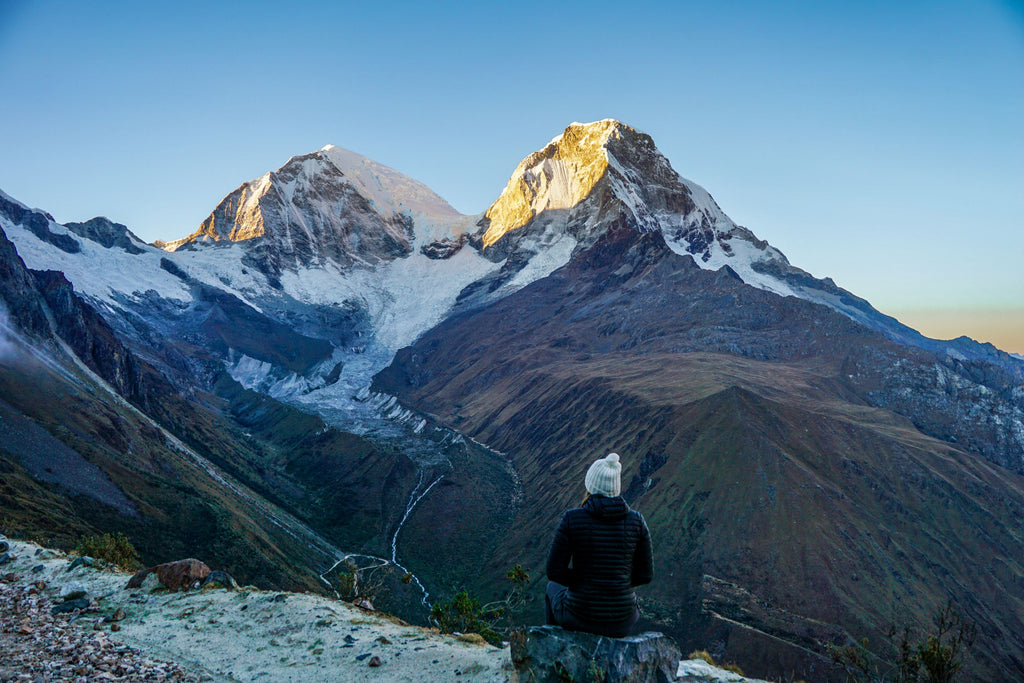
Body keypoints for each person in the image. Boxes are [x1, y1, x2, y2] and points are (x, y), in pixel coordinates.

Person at [545, 452, 654, 638]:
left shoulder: (572, 518)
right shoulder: (636, 521)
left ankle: (555, 644)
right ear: (615, 488)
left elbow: (554, 571)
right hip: (622, 621)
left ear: (591, 485)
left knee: (551, 588)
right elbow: (645, 575)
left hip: (579, 616)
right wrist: (617, 581)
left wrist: (583, 582)